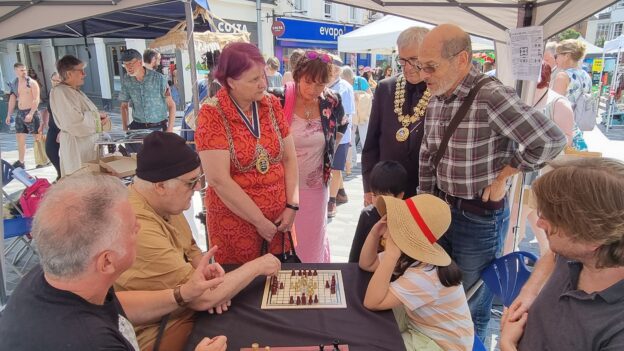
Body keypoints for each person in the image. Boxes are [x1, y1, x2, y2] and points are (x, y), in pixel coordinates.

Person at [417, 24, 567, 339]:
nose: (423, 74)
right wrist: (424, 212)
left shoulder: (490, 95)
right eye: (420, 66)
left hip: (478, 218)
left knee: (470, 304)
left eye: (430, 66)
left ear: (461, 60)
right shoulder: (436, 98)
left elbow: (551, 140)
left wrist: (506, 174)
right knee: (441, 295)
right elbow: (429, 159)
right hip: (442, 214)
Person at [0, 174, 227, 351]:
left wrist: (182, 293)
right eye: (131, 228)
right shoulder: (91, 341)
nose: (139, 228)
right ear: (107, 261)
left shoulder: (48, 279)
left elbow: (115, 306)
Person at [114, 131, 280, 350]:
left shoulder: (164, 203)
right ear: (160, 186)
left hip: (181, 314)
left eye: (199, 180)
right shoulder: (138, 226)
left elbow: (191, 250)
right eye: (191, 182)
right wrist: (258, 265)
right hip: (160, 330)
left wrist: (209, 277)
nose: (198, 188)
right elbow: (200, 298)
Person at [500, 158, 624, 351]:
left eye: (551, 219)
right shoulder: (577, 254)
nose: (540, 224)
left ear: (590, 239)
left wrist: (508, 344)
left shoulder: (616, 330)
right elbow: (552, 254)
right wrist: (529, 292)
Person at [195, 42, 299, 264]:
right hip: (236, 225)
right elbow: (219, 180)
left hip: (281, 221)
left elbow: (289, 159)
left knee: (279, 287)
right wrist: (259, 221)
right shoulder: (212, 114)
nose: (263, 83)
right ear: (231, 82)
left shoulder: (270, 104)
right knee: (243, 290)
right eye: (254, 79)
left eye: (263, 75)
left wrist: (292, 205)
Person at [360, 194, 474, 351]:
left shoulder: (425, 275)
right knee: (369, 325)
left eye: (393, 224)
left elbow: (371, 302)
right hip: (420, 324)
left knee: (373, 341)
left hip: (440, 344)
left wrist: (391, 256)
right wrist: (374, 233)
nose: (387, 229)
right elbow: (367, 263)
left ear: (405, 236)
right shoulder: (411, 253)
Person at [284, 50, 345, 262]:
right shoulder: (280, 98)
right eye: (308, 82)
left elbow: (342, 125)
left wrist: (330, 150)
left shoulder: (331, 101)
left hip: (317, 186)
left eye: (320, 84)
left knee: (312, 241)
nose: (313, 89)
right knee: (286, 243)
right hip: (284, 187)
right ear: (298, 76)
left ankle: (313, 282)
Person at [362, 27, 431, 206]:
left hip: (424, 192)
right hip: (386, 191)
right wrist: (369, 187)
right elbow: (371, 143)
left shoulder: (439, 91)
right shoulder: (386, 88)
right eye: (402, 60)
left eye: (414, 60)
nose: (407, 68)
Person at [49, 55, 109, 177]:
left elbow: (88, 115)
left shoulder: (74, 90)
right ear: (69, 74)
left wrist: (100, 118)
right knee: (81, 183)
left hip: (86, 145)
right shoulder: (60, 92)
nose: (84, 74)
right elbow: (74, 122)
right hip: (76, 147)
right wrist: (97, 118)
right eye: (81, 71)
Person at [349, 160, 407, 263]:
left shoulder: (406, 219)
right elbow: (355, 255)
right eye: (374, 195)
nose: (377, 201)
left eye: (383, 196)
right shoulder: (367, 215)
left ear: (400, 196)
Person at [120, 49, 175, 138]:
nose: (128, 67)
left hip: (158, 128)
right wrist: (125, 128)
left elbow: (171, 105)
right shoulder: (127, 80)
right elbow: (123, 106)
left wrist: (170, 129)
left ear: (140, 62)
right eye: (125, 64)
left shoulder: (159, 79)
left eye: (131, 63)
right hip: (137, 129)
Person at [327, 58, 355, 218]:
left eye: (333, 68)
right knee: (332, 167)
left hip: (341, 135)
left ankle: (332, 201)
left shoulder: (345, 87)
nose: (331, 71)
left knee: (335, 169)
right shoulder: (324, 84)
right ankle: (341, 193)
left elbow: (347, 115)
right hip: (327, 134)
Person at [4, 62, 41, 169]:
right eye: (21, 70)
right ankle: (21, 162)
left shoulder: (32, 83)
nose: (24, 72)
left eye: (25, 70)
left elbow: (36, 99)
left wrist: (31, 113)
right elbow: (12, 99)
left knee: (37, 137)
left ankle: (43, 159)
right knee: (20, 137)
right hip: (20, 113)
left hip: (31, 112)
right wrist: (9, 114)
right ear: (15, 71)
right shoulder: (14, 84)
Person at [341, 65, 372, 173]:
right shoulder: (344, 85)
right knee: (351, 138)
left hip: (363, 114)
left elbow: (370, 95)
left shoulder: (361, 80)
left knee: (365, 138)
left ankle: (367, 161)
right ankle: (353, 161)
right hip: (352, 115)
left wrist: (359, 95)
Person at [552, 39, 593, 118]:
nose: (555, 59)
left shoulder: (563, 76)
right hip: (580, 125)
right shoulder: (586, 75)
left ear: (567, 56)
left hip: (563, 124)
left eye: (556, 56)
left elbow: (554, 106)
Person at [45, 72, 62, 180]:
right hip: (53, 127)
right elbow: (49, 110)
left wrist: (62, 130)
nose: (55, 83)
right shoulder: (51, 92)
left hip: (63, 128)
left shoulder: (64, 94)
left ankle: (64, 175)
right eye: (53, 80)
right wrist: (43, 122)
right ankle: (60, 173)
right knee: (50, 150)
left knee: (66, 154)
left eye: (58, 81)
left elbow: (67, 114)